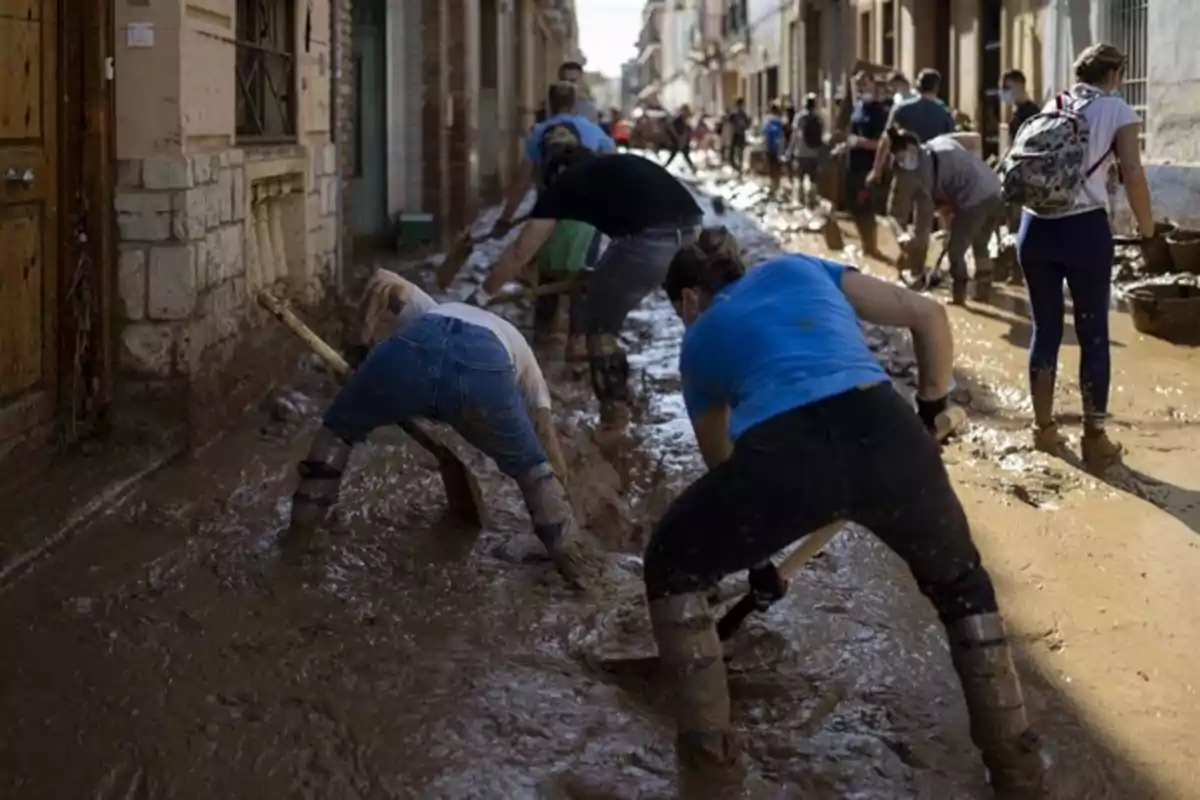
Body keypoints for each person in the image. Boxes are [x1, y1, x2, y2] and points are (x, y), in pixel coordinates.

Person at [643, 227, 1043, 795]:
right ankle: (1019, 772)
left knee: (670, 563)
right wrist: (932, 405)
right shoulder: (801, 268)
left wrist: (755, 564)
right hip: (892, 437)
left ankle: (712, 777)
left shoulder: (699, 336)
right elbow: (928, 314)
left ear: (688, 300)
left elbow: (722, 467)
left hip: (786, 460)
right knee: (964, 589)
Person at [285, 269, 601, 588]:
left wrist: (360, 346)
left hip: (405, 356)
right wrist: (562, 490)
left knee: (337, 431)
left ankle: (296, 543)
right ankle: (576, 565)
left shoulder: (431, 308)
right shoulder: (523, 355)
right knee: (533, 472)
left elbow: (380, 280)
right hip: (484, 372)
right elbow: (546, 435)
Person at [1002, 43, 1168, 472]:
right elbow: (1132, 172)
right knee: (1093, 333)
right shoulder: (1117, 109)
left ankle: (1044, 430)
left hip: (1034, 229)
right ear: (1114, 74)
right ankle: (1094, 441)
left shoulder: (1053, 104)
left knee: (1046, 329)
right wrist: (1148, 231)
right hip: (1083, 232)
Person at [470, 151, 704, 425]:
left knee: (599, 327)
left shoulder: (561, 188)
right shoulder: (607, 170)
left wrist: (481, 296)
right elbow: (622, 241)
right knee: (691, 310)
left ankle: (615, 416)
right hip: (693, 228)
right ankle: (711, 385)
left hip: (649, 241)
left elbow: (521, 251)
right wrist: (599, 277)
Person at [488, 82, 615, 357]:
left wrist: (505, 218)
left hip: (549, 212)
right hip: (587, 215)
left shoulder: (538, 133)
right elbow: (612, 166)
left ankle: (541, 347)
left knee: (546, 277)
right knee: (582, 277)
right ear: (573, 103)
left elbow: (522, 181)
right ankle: (576, 346)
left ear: (548, 103)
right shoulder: (591, 130)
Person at [889, 129, 1005, 303]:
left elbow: (925, 219)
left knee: (955, 250)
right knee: (981, 243)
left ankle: (959, 296)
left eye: (902, 157)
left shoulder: (924, 170)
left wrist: (913, 246)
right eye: (898, 160)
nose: (903, 162)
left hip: (974, 200)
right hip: (995, 189)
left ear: (913, 148)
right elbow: (973, 140)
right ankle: (983, 291)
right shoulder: (939, 142)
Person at [841, 71, 889, 257]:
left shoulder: (880, 113)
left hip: (869, 167)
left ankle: (872, 248)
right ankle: (865, 246)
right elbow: (851, 134)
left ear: (873, 85)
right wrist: (845, 145)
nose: (862, 88)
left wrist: (861, 143)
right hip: (853, 164)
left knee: (867, 206)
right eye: (859, 85)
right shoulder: (858, 108)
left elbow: (883, 143)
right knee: (855, 207)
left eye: (865, 84)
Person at [786, 93, 825, 208]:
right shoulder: (819, 118)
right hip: (814, 153)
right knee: (813, 179)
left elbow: (794, 135)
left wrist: (789, 150)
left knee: (799, 178)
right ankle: (811, 201)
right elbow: (822, 135)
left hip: (800, 152)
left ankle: (801, 202)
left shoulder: (799, 117)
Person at [1000, 69, 1040, 139]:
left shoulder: (1031, 113)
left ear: (1019, 86)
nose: (1003, 92)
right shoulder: (1017, 111)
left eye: (1006, 87)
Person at [664, 104, 699, 174]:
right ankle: (664, 167)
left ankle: (665, 167)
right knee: (677, 154)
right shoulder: (679, 119)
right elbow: (671, 126)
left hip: (681, 140)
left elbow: (686, 130)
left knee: (682, 154)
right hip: (677, 140)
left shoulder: (683, 119)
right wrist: (677, 136)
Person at [762, 103, 786, 197]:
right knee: (778, 168)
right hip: (779, 148)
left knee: (771, 167)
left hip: (770, 147)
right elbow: (782, 136)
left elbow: (766, 136)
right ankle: (777, 185)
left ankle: (773, 185)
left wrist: (765, 148)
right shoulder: (780, 122)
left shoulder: (767, 122)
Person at [724, 98, 751, 174]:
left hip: (739, 134)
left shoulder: (742, 114)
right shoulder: (736, 114)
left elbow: (747, 124)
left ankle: (739, 167)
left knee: (739, 153)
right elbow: (728, 120)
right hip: (737, 134)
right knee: (734, 153)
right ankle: (737, 167)